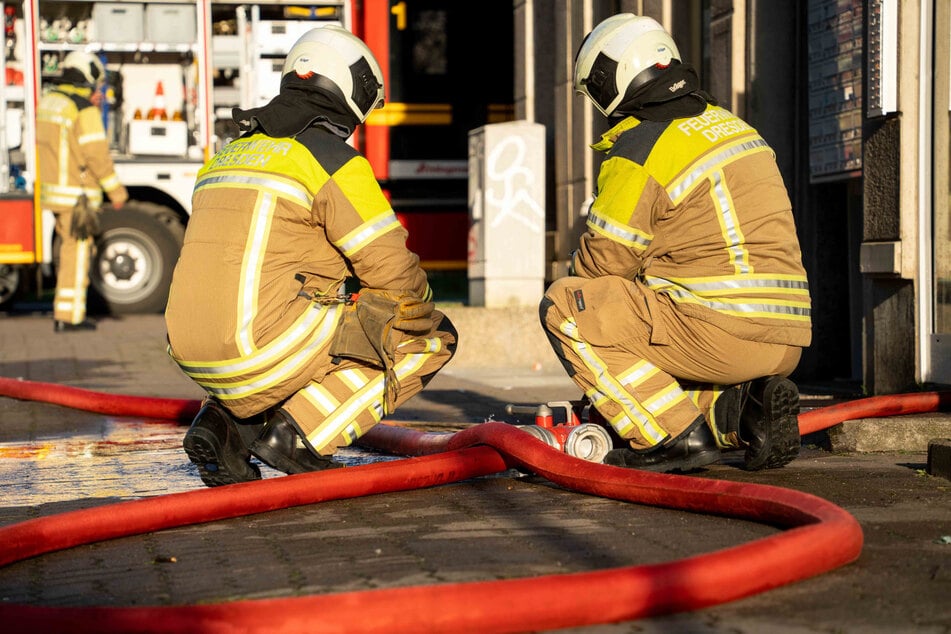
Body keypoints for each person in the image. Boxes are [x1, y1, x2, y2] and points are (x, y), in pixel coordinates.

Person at [165, 26, 458, 487]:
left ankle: (224, 428)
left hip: (191, 351)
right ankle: (301, 437)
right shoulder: (330, 159)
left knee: (302, 315)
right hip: (259, 348)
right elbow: (393, 273)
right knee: (426, 334)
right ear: (349, 95)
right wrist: (414, 307)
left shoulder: (228, 153)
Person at [540, 14, 812, 473]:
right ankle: (745, 412)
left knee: (568, 306)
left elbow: (601, 268)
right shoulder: (734, 127)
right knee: (655, 356)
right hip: (786, 341)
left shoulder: (642, 147)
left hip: (721, 333)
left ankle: (671, 439)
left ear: (615, 79)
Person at [37, 51, 128, 332]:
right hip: (76, 195)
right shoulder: (83, 109)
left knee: (68, 250)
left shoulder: (50, 101)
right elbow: (97, 155)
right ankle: (70, 317)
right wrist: (116, 191)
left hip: (54, 193)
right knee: (77, 253)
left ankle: (64, 313)